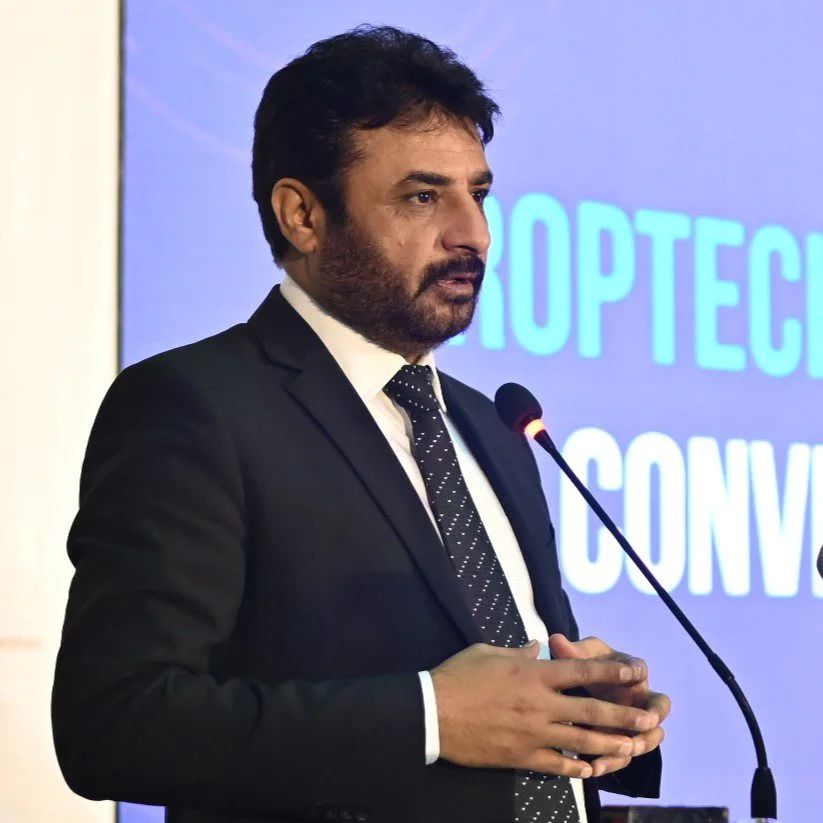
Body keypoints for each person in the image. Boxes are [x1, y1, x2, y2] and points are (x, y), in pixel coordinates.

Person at [52, 25, 669, 823]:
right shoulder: (196, 408)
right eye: (423, 197)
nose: (473, 234)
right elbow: (115, 723)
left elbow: (504, 720)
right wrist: (428, 716)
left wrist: (591, 713)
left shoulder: (493, 430)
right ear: (302, 214)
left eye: (478, 194)